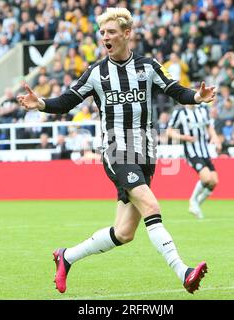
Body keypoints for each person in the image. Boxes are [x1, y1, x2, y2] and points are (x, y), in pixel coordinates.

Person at [17, 7, 215, 295]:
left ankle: (66, 256)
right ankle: (183, 272)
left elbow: (176, 91)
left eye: (111, 32)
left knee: (124, 232)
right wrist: (42, 104)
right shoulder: (96, 73)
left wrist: (197, 96)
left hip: (146, 152)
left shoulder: (148, 67)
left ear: (126, 33)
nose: (105, 37)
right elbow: (66, 102)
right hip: (116, 149)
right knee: (152, 207)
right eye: (102, 33)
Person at [166, 103, 221, 219]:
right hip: (191, 151)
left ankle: (196, 205)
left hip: (204, 151)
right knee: (206, 178)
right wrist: (183, 137)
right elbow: (169, 131)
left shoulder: (202, 109)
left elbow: (209, 126)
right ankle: (193, 201)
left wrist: (215, 137)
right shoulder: (180, 112)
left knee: (214, 181)